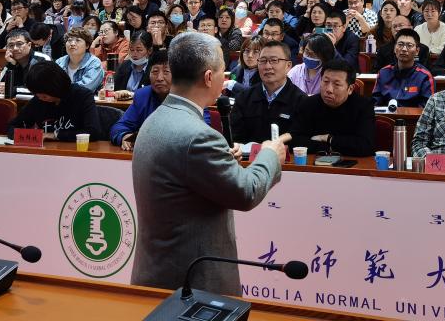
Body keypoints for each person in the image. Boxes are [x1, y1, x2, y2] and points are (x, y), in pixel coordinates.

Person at [131, 32, 284, 296]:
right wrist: (270, 155)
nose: (226, 77)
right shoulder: (198, 135)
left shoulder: (154, 120)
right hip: (193, 287)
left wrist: (223, 161)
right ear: (209, 77)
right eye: (223, 70)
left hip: (156, 274)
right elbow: (246, 192)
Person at [111, 51, 215, 149]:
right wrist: (124, 136)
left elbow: (203, 133)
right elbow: (120, 126)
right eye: (155, 72)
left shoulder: (193, 97)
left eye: (166, 72)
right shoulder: (143, 96)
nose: (159, 78)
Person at [290, 60, 375, 156]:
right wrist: (328, 147)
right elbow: (294, 140)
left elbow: (365, 146)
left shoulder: (363, 106)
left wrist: (328, 138)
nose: (329, 89)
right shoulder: (308, 104)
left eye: (337, 84)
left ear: (350, 89)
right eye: (325, 82)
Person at [229, 41, 306, 143]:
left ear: (288, 65)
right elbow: (235, 137)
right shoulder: (244, 98)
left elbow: (301, 139)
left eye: (274, 60)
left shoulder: (301, 101)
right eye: (263, 61)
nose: (267, 66)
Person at [7, 60, 100, 141]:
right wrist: (27, 135)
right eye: (36, 94)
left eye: (44, 96)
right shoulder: (38, 100)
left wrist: (55, 135)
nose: (40, 98)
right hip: (46, 150)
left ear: (55, 87)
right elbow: (12, 126)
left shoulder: (82, 96)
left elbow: (93, 132)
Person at [372, 29, 434, 108]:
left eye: (409, 45)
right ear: (394, 48)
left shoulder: (424, 76)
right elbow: (375, 103)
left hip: (413, 116)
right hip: (386, 115)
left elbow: (426, 108)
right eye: (400, 44)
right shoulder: (383, 73)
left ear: (417, 51)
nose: (404, 49)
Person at [56, 28, 104, 94]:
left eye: (78, 40)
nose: (72, 44)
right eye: (69, 40)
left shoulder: (94, 63)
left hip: (85, 99)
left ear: (87, 46)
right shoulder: (59, 62)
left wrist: (59, 89)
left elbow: (85, 88)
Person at [114, 31, 154, 97]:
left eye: (139, 50)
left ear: (149, 50)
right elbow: (114, 89)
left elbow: (153, 94)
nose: (134, 54)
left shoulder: (154, 69)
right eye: (132, 50)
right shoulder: (124, 66)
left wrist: (131, 94)